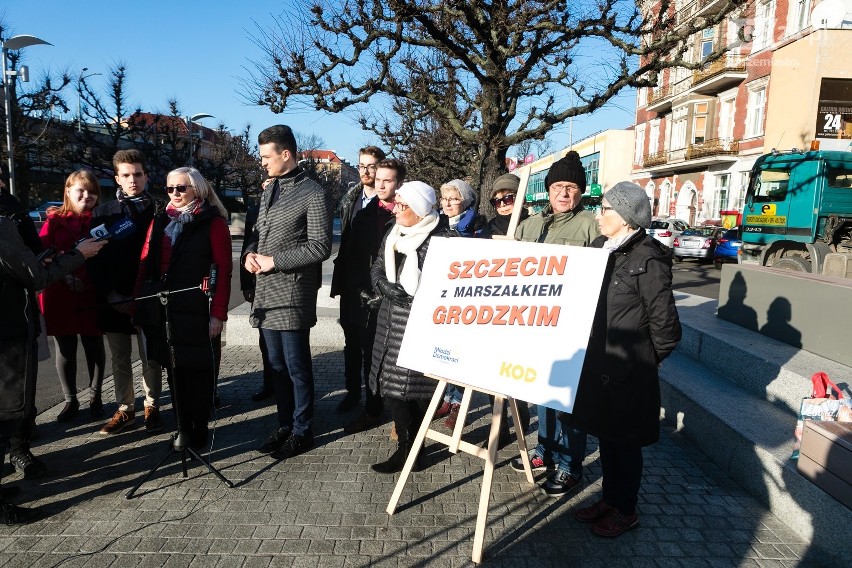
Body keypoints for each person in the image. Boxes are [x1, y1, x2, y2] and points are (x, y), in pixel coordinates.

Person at [571, 181, 681, 537]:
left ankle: (626, 510)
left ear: (626, 217)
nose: (598, 215)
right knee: (607, 438)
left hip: (629, 369)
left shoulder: (647, 258)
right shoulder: (603, 250)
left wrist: (646, 360)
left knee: (626, 444)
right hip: (601, 364)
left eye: (605, 209)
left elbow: (665, 325)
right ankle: (610, 499)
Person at [1, 190, 106, 523]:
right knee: (6, 414)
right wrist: (78, 254)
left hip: (9, 330)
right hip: (7, 333)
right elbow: (37, 278)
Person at [513, 150, 599, 497]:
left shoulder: (590, 225)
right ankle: (544, 451)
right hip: (532, 327)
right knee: (540, 393)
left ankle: (569, 465)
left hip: (570, 328)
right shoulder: (529, 225)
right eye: (559, 186)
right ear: (548, 189)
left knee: (568, 401)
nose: (564, 193)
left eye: (572, 187)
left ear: (581, 191)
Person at [243, 125, 332, 461]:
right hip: (267, 293)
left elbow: (320, 246)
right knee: (276, 365)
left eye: (266, 156)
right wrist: (251, 253)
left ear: (285, 153)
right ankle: (284, 424)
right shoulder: (269, 190)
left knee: (296, 366)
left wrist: (274, 261)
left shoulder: (313, 192)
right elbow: (258, 233)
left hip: (293, 292)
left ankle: (302, 429)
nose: (262, 162)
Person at [135, 167, 232, 450]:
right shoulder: (159, 219)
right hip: (164, 309)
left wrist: (218, 315)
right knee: (173, 372)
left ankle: (199, 430)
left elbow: (223, 270)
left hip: (197, 309)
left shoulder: (211, 222)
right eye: (170, 189)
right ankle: (181, 429)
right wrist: (137, 306)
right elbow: (144, 263)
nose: (175, 194)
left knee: (197, 373)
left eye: (181, 188)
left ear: (197, 190)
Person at [369, 181, 447, 474]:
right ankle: (406, 447)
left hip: (419, 326)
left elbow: (446, 287)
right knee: (392, 389)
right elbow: (377, 266)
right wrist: (382, 286)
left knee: (414, 390)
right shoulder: (394, 233)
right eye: (396, 204)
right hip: (389, 322)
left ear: (421, 209)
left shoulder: (441, 238)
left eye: (403, 205)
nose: (396, 209)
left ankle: (413, 450)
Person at [89, 149, 164, 435]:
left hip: (148, 296)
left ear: (146, 175)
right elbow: (94, 258)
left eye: (138, 174)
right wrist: (110, 295)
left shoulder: (160, 211)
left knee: (150, 356)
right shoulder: (102, 213)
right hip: (114, 298)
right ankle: (125, 408)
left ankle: (152, 404)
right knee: (120, 357)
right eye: (126, 175)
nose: (133, 180)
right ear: (117, 178)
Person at [39, 170, 106, 421]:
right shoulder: (54, 221)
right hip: (60, 289)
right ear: (68, 191)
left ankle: (96, 396)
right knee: (65, 347)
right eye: (81, 189)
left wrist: (86, 281)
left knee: (94, 343)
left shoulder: (101, 220)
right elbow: (43, 254)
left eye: (92, 191)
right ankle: (70, 400)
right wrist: (66, 275)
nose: (86, 195)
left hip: (91, 290)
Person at [342, 158, 403, 434]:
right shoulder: (363, 215)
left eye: (387, 180)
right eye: (378, 179)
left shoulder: (406, 214)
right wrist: (361, 290)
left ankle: (401, 418)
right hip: (368, 297)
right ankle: (372, 408)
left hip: (398, 297)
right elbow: (352, 258)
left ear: (399, 183)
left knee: (399, 360)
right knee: (371, 356)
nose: (379, 184)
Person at [331, 145, 387, 414]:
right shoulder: (350, 200)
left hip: (374, 284)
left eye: (371, 166)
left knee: (371, 345)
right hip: (350, 282)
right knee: (351, 342)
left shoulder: (387, 203)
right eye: (362, 165)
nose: (365, 171)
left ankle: (373, 399)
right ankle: (352, 392)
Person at [434, 178, 487, 429]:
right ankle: (447, 398)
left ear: (465, 201)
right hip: (445, 297)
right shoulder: (439, 222)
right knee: (446, 352)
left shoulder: (476, 225)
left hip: (467, 298)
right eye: (444, 199)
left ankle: (459, 405)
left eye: (453, 199)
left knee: (461, 355)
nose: (447, 203)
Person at [484, 173, 531, 442]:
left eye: (509, 198)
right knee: (491, 375)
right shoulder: (488, 228)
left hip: (523, 312)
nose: (502, 203)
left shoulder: (533, 226)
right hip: (494, 311)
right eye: (497, 200)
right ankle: (499, 430)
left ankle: (522, 427)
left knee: (518, 375)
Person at [239, 198, 274, 402]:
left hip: (285, 280)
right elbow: (246, 245)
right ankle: (269, 383)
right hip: (257, 279)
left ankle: (282, 385)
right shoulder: (255, 210)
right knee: (264, 339)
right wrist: (246, 284)